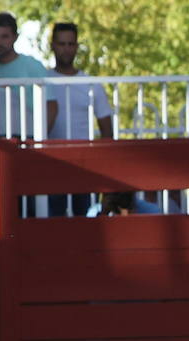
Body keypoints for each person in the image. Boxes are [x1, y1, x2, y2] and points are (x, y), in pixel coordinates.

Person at [46, 22, 114, 217]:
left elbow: (106, 128)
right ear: (53, 45)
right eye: (61, 44)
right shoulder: (42, 81)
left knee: (85, 220)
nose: (66, 49)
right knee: (53, 221)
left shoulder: (91, 84)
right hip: (51, 163)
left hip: (84, 163)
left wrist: (101, 164)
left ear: (76, 46)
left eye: (70, 44)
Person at [0, 12, 58, 139]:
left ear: (15, 37)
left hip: (26, 140)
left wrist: (38, 139)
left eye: (4, 36)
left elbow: (51, 106)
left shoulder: (33, 66)